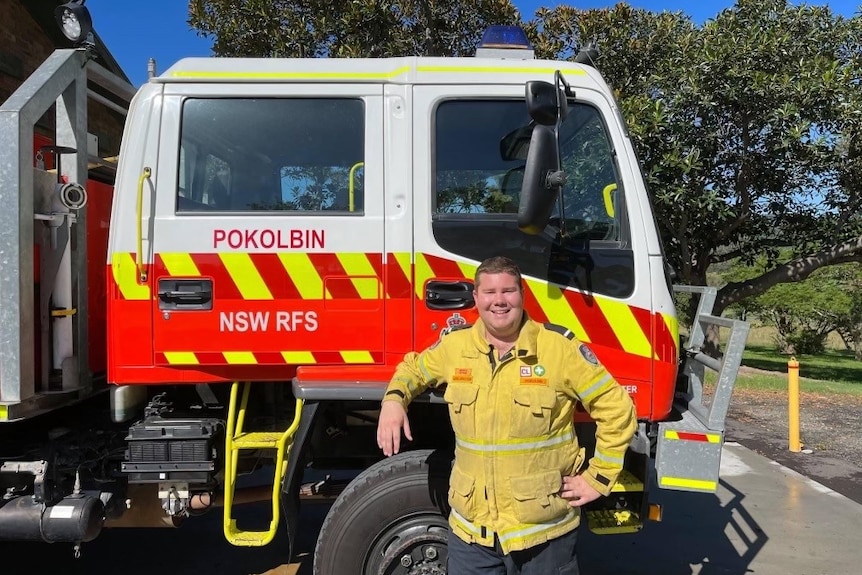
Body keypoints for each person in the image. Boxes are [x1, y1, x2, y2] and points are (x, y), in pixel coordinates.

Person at [377, 256, 637, 574]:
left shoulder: (558, 350)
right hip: (472, 534)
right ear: (476, 298)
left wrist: (598, 478)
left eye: (508, 291)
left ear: (522, 295)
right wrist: (393, 402)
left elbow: (618, 408)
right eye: (489, 292)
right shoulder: (454, 348)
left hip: (544, 536)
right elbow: (412, 368)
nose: (499, 301)